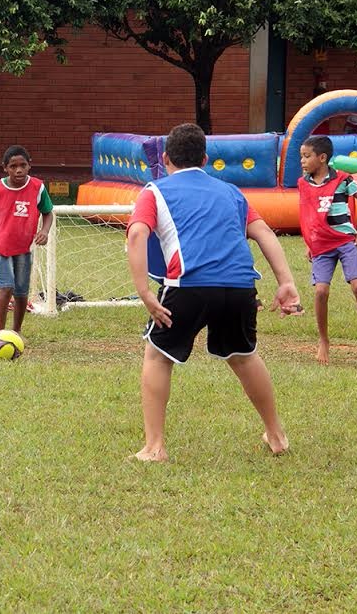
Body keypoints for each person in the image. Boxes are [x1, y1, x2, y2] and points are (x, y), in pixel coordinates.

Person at [126, 123, 301, 462]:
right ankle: (277, 435)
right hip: (239, 288)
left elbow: (136, 236)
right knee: (244, 356)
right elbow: (263, 232)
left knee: (158, 357)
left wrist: (145, 292)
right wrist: (286, 281)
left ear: (165, 158)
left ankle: (154, 447)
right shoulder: (232, 192)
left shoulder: (155, 191)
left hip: (189, 287)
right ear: (205, 159)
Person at [298, 135, 357, 365]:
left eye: (307, 156)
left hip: (345, 241)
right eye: (301, 157)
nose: (302, 161)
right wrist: (309, 242)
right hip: (322, 246)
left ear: (322, 158)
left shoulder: (343, 180)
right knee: (321, 292)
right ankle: (323, 341)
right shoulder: (303, 184)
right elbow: (308, 215)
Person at [0, 146, 54, 334]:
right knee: (6, 287)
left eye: (23, 165)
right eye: (13, 166)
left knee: (22, 293)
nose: (18, 170)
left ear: (29, 166)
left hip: (24, 248)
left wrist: (45, 230)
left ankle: (16, 332)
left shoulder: (37, 187)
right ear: (5, 168)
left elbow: (48, 213)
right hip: (0, 247)